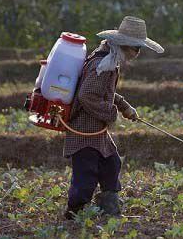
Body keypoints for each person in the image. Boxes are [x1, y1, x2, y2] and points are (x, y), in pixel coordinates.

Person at [63, 16, 164, 219]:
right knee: (86, 175)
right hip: (84, 130)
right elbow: (86, 95)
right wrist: (111, 113)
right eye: (136, 48)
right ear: (124, 45)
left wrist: (124, 106)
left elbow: (105, 93)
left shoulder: (109, 61)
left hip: (95, 130)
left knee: (111, 163)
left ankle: (110, 210)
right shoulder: (102, 65)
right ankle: (74, 214)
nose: (137, 52)